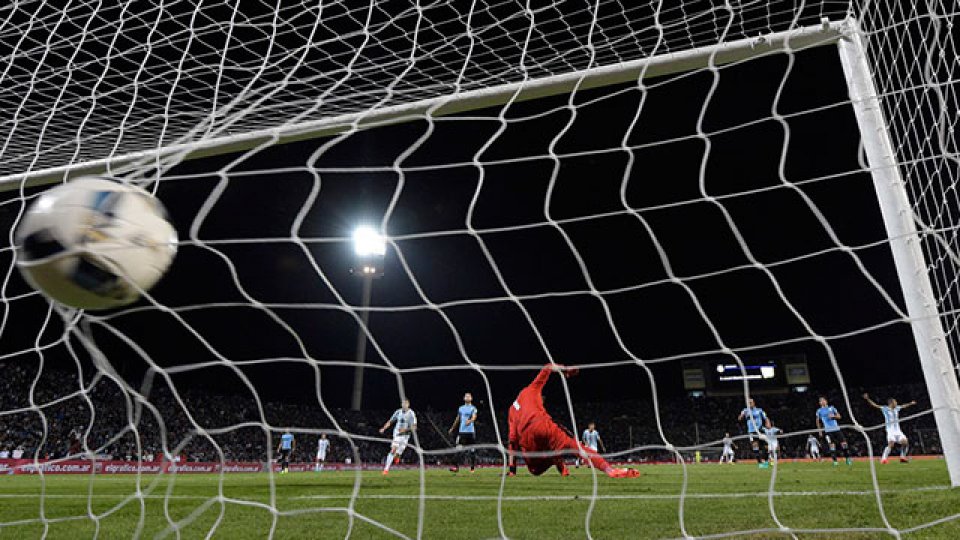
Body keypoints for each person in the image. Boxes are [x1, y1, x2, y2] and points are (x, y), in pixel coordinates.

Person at [506, 364, 638, 478]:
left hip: (526, 439)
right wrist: (565, 369)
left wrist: (512, 469)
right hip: (540, 423)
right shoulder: (531, 389)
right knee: (575, 446)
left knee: (534, 470)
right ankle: (610, 470)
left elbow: (512, 442)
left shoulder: (511, 411)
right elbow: (548, 367)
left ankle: (558, 462)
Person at [863, 393, 916, 464]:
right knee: (891, 444)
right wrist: (868, 399)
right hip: (890, 430)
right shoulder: (885, 408)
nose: (896, 403)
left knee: (905, 442)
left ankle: (902, 457)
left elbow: (904, 406)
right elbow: (875, 405)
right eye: (895, 401)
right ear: (891, 403)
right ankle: (883, 459)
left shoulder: (897, 408)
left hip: (898, 430)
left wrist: (911, 403)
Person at [379, 398, 417, 475]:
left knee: (398, 453)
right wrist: (383, 428)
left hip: (405, 436)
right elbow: (390, 421)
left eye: (405, 404)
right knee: (393, 450)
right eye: (403, 404)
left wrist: (405, 430)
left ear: (408, 405)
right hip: (397, 434)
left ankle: (397, 456)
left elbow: (414, 427)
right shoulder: (398, 412)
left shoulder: (411, 414)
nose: (404, 405)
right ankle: (386, 470)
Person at [815, 396, 851, 466]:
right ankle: (835, 461)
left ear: (826, 401)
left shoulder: (832, 408)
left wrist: (833, 417)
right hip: (828, 431)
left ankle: (847, 458)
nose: (822, 402)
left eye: (823, 400)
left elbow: (839, 416)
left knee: (844, 444)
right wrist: (819, 431)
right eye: (820, 401)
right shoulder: (819, 411)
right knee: (832, 445)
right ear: (819, 403)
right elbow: (817, 421)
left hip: (837, 429)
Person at [448, 392, 478, 473]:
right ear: (464, 398)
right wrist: (452, 428)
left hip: (471, 432)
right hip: (462, 432)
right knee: (458, 449)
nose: (467, 397)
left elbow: (474, 416)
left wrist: (470, 420)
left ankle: (472, 468)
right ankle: (456, 467)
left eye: (469, 396)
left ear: (471, 398)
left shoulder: (473, 408)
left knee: (472, 450)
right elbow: (457, 419)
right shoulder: (461, 408)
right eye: (466, 396)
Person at [737, 398, 771, 468]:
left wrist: (768, 423)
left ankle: (766, 460)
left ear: (754, 403)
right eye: (748, 403)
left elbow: (766, 417)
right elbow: (740, 418)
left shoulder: (759, 410)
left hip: (760, 430)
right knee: (755, 446)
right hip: (752, 431)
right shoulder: (745, 410)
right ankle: (760, 463)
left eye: (751, 402)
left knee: (766, 445)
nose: (750, 404)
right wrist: (741, 416)